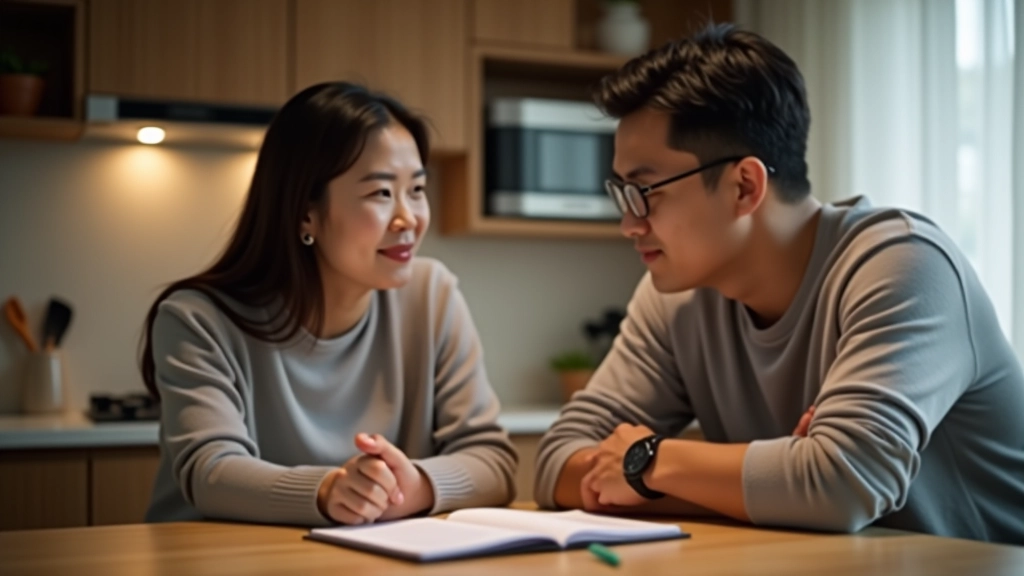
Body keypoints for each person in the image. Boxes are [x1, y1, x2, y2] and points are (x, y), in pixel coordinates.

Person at [535, 23, 1024, 544]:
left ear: (744, 186)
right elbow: (556, 462)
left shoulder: (903, 265)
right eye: (622, 193)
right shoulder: (673, 298)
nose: (628, 224)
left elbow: (841, 483)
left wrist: (645, 462)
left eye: (645, 191)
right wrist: (775, 481)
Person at [141, 82, 517, 527]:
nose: (410, 218)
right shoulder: (198, 319)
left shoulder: (431, 294)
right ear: (305, 213)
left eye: (416, 189)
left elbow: (493, 461)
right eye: (380, 193)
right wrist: (326, 491)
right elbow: (209, 472)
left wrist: (415, 483)